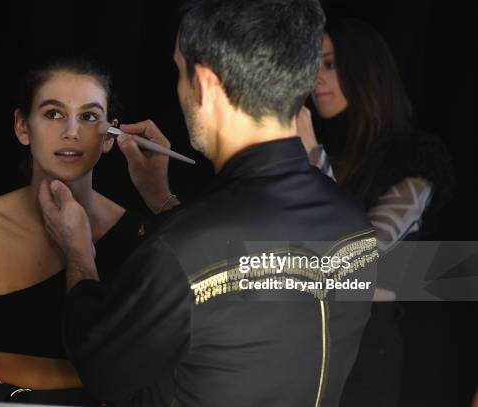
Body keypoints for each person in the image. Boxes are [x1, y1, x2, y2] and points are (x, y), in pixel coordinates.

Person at [39, 1, 378, 406]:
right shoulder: (352, 219)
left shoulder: (183, 251)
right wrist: (161, 199)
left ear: (206, 86)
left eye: (180, 71)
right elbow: (249, 318)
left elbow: (101, 369)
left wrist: (78, 250)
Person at [0, 54, 146, 405]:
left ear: (109, 136)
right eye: (53, 114)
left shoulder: (137, 234)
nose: (72, 131)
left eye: (88, 117)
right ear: (23, 127)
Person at [297, 18, 454, 406]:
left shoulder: (416, 158)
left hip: (364, 353)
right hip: (304, 343)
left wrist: (311, 151)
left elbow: (361, 253)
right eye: (313, 65)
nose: (316, 78)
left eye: (330, 65)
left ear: (366, 70)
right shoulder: (336, 157)